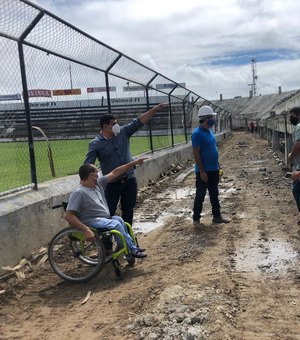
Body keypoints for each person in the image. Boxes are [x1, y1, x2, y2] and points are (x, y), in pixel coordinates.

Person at [84, 102, 167, 226]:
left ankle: (128, 241)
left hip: (129, 180)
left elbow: (139, 121)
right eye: (113, 124)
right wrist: (91, 181)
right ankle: (107, 244)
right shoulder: (96, 144)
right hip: (112, 184)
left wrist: (156, 108)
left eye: (117, 123)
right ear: (105, 126)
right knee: (108, 213)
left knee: (128, 211)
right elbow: (88, 164)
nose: (117, 126)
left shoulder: (123, 133)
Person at [64, 159, 147, 258]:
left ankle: (129, 246)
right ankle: (131, 250)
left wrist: (133, 163)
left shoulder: (97, 184)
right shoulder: (79, 193)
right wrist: (85, 230)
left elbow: (115, 172)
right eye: (97, 172)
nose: (99, 174)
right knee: (115, 224)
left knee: (119, 220)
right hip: (90, 221)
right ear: (91, 175)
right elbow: (69, 215)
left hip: (101, 218)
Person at [192, 105, 230, 225]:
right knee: (200, 194)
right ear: (206, 118)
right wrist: (202, 172)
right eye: (212, 117)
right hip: (204, 171)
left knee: (214, 193)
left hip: (214, 169)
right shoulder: (197, 134)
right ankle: (196, 217)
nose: (213, 119)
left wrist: (218, 165)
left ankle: (217, 216)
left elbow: (213, 149)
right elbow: (196, 154)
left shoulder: (210, 132)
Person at [288, 107, 300, 223]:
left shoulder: (299, 127)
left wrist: (291, 156)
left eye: (292, 116)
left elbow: (298, 145)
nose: (290, 119)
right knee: (296, 189)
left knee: (296, 190)